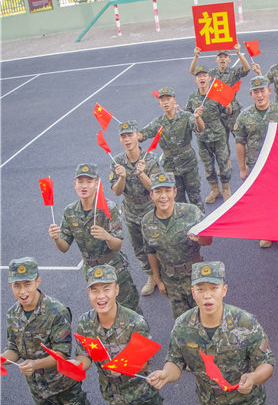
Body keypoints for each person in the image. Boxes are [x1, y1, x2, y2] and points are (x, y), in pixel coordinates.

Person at [147, 261, 276, 405]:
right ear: (192, 292)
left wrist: (254, 378)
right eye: (200, 289)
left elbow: (266, 363)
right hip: (212, 402)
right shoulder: (183, 326)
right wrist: (166, 374)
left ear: (224, 290)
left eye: (213, 288)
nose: (208, 295)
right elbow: (175, 361)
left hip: (247, 401)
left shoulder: (245, 322)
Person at [1, 257, 109, 405]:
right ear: (10, 285)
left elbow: (61, 352)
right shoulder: (13, 314)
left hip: (62, 380)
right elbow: (14, 345)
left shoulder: (56, 311)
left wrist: (35, 363)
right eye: (17, 285)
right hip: (37, 384)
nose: (23, 291)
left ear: (38, 281)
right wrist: (4, 357)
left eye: (27, 284)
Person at [75, 264, 174, 405]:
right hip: (112, 392)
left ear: (117, 290)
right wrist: (76, 365)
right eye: (95, 290)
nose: (101, 296)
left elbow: (145, 362)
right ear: (89, 293)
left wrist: (123, 365)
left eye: (106, 289)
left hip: (141, 390)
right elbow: (85, 356)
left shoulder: (134, 323)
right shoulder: (85, 323)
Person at [49, 163, 141, 315]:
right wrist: (56, 238)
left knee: (129, 309)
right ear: (75, 184)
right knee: (104, 311)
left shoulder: (108, 208)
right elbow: (64, 247)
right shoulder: (70, 212)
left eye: (89, 181)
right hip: (92, 272)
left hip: (114, 267)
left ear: (97, 183)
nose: (84, 186)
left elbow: (117, 245)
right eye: (80, 181)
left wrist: (107, 236)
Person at [234, 75, 278, 250]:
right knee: (262, 200)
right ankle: (267, 232)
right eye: (256, 92)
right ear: (251, 94)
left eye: (262, 90)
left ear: (269, 91)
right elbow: (240, 142)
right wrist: (242, 168)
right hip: (257, 166)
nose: (260, 95)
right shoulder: (245, 116)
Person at [141, 172, 212, 320]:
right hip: (171, 280)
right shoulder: (147, 222)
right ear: (151, 195)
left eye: (167, 190)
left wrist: (200, 238)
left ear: (175, 192)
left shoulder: (191, 212)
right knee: (183, 322)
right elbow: (151, 253)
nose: (163, 196)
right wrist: (158, 280)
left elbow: (208, 242)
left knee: (206, 318)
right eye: (158, 191)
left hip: (195, 276)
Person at [110, 120, 160, 296]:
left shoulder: (150, 159)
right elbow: (116, 192)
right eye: (123, 136)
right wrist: (121, 178)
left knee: (157, 244)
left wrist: (142, 174)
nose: (127, 139)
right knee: (139, 248)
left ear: (137, 136)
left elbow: (155, 189)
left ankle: (164, 275)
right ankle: (152, 276)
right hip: (131, 213)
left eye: (130, 135)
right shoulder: (117, 162)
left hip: (151, 211)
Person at [139, 86, 205, 212]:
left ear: (174, 100)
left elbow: (200, 129)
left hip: (188, 163)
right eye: (162, 100)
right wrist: (134, 135)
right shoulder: (158, 122)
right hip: (171, 166)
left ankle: (201, 225)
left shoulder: (186, 117)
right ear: (159, 104)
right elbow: (143, 134)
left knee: (195, 197)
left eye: (168, 99)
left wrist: (197, 118)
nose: (165, 102)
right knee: (178, 199)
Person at [186, 66, 232, 204]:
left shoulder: (216, 93)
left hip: (218, 134)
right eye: (199, 76)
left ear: (209, 78)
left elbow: (228, 112)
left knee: (223, 163)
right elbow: (187, 114)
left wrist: (229, 106)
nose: (202, 78)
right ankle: (214, 190)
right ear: (195, 80)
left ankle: (226, 189)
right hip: (202, 138)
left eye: (204, 76)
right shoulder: (192, 97)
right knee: (208, 166)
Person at [191, 44, 251, 145]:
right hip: (218, 110)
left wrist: (239, 53)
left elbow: (247, 68)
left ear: (229, 60)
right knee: (223, 142)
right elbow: (193, 71)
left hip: (232, 110)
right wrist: (196, 56)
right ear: (216, 60)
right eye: (220, 57)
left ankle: (244, 160)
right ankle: (227, 161)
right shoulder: (212, 73)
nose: (222, 59)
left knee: (240, 138)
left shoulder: (234, 72)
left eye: (225, 57)